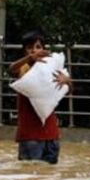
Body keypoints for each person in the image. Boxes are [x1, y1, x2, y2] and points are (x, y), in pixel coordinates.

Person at [7, 29, 72, 164]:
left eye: (38, 47)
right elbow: (11, 69)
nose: (34, 51)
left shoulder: (51, 66)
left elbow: (69, 90)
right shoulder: (23, 68)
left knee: (49, 175)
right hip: (30, 134)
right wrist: (29, 59)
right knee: (30, 175)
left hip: (51, 134)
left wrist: (67, 81)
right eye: (30, 48)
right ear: (24, 51)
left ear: (43, 49)